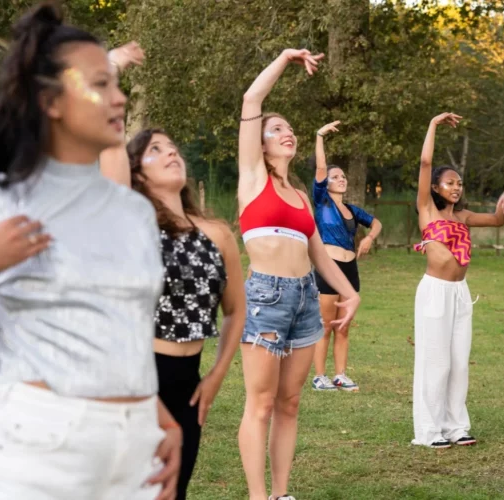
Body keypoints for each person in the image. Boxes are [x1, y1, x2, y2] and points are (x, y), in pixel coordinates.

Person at [0, 4, 181, 499]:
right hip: (35, 456)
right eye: (101, 84)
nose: (119, 98)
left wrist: (157, 415)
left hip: (136, 456)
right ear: (50, 102)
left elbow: (119, 330)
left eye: (116, 83)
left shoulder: (134, 212)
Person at [100, 45, 245, 500]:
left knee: (172, 491)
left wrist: (217, 373)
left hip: (190, 382)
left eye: (174, 149)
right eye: (155, 150)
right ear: (135, 173)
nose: (171, 154)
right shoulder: (130, 219)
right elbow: (105, 136)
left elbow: (236, 311)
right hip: (135, 374)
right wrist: (111, 68)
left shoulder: (217, 232)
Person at [237, 48, 361, 500]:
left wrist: (350, 293)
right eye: (276, 129)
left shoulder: (304, 198)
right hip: (266, 296)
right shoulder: (253, 178)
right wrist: (286, 57)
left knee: (289, 403)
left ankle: (281, 493)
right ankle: (257, 495)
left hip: (307, 297)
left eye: (289, 128)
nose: (286, 133)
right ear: (261, 143)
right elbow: (253, 99)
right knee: (262, 403)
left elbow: (319, 256)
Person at [412, 112, 504, 450]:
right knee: (435, 360)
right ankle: (429, 432)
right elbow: (426, 161)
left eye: (459, 183)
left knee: (458, 362)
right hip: (434, 292)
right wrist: (432, 125)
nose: (456, 187)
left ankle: (456, 426)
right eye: (449, 183)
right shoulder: (426, 209)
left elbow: (498, 220)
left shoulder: (464, 217)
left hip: (460, 293)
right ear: (436, 188)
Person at [310, 120, 382, 392]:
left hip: (350, 269)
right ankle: (320, 376)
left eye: (342, 176)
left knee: (344, 326)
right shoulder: (321, 202)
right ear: (325, 183)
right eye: (335, 176)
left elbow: (376, 223)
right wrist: (319, 135)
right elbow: (320, 167)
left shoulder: (352, 209)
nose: (341, 179)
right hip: (329, 267)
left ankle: (340, 374)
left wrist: (369, 238)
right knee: (326, 325)